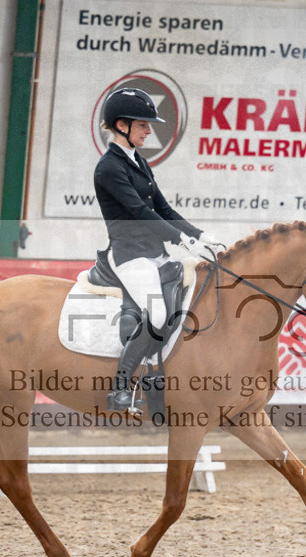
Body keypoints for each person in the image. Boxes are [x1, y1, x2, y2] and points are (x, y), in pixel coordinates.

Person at [94, 87, 225, 412]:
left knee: (187, 303)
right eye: (143, 125)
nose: (149, 131)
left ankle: (157, 377)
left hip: (155, 253)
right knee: (159, 313)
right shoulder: (109, 168)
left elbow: (163, 208)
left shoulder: (138, 161)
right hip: (130, 255)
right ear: (122, 125)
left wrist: (199, 234)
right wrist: (181, 240)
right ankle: (121, 388)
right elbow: (140, 212)